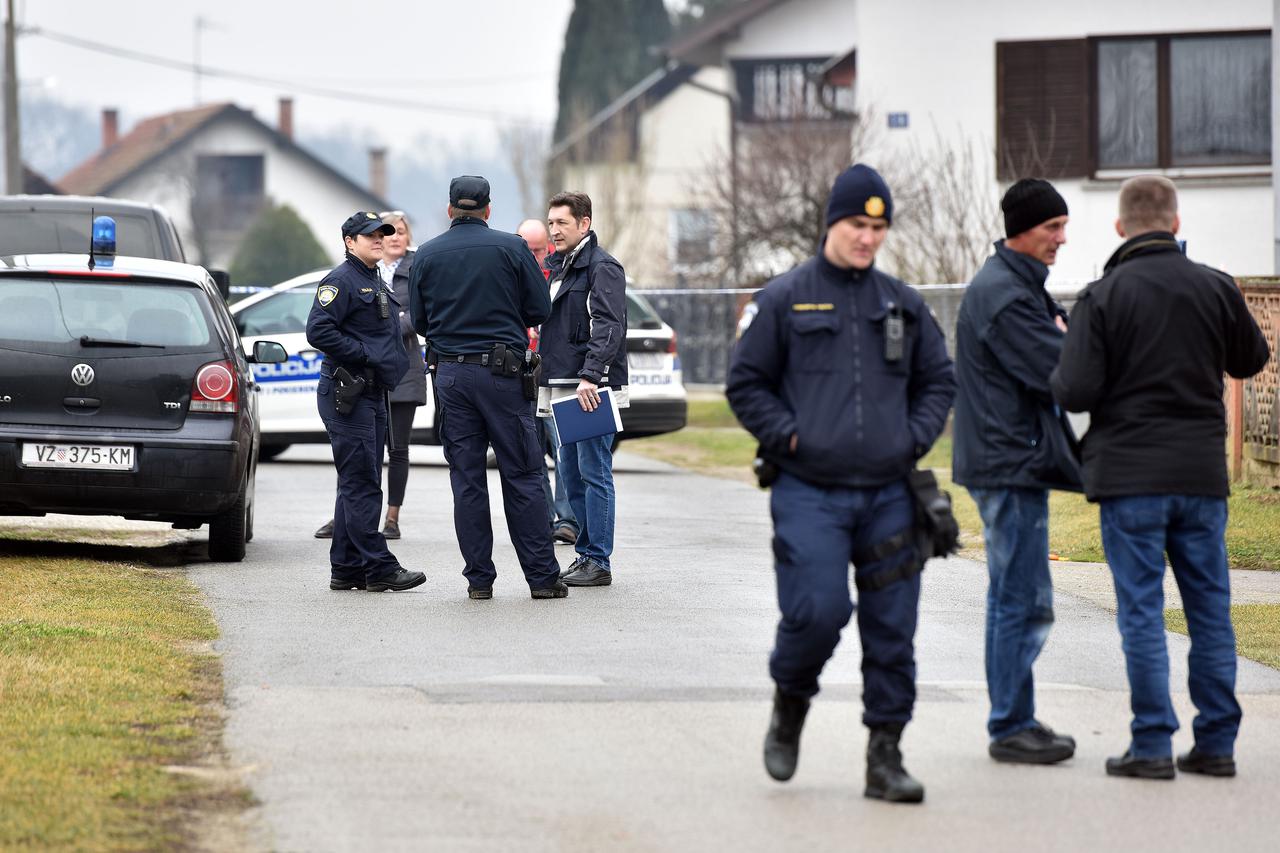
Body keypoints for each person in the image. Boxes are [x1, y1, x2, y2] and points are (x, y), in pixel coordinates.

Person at [726, 164, 955, 803]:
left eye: (879, 228)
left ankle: (886, 756)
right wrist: (790, 437)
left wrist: (912, 437)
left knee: (893, 628)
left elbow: (940, 379)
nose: (869, 238)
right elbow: (745, 384)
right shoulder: (784, 298)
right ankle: (790, 701)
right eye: (858, 224)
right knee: (817, 612)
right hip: (809, 490)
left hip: (889, 493)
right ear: (833, 223)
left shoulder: (901, 303)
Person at [1051, 176, 1270, 779]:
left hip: (1131, 478)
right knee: (1210, 611)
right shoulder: (1215, 287)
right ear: (1175, 223)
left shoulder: (1102, 297)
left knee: (1143, 613)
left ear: (1121, 227)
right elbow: (1251, 359)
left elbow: (1073, 389)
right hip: (1201, 475)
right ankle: (1217, 744)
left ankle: (1150, 744)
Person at [951, 178, 1081, 765]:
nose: (1061, 238)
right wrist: (1067, 343)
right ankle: (1009, 725)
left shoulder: (1016, 285)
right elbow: (1062, 372)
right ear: (1021, 230)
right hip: (1009, 461)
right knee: (1019, 597)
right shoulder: (1006, 295)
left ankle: (1017, 717)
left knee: (1021, 593)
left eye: (1062, 226)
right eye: (1052, 227)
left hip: (1011, 456)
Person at [408, 176, 567, 601]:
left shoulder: (425, 255)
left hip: (452, 378)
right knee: (523, 474)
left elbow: (420, 322)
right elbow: (540, 308)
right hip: (504, 377)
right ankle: (542, 579)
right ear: (488, 210)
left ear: (449, 211)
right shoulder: (513, 248)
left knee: (467, 479)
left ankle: (479, 580)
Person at [305, 211, 425, 593]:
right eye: (369, 234)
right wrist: (363, 354)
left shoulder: (371, 277)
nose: (379, 239)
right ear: (349, 241)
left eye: (382, 233)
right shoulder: (340, 280)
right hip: (349, 393)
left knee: (356, 482)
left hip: (372, 393)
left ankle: (346, 568)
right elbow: (318, 329)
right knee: (362, 485)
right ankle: (379, 566)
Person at [538, 192, 627, 587]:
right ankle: (585, 555)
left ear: (584, 224)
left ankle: (598, 561)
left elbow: (608, 326)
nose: (554, 230)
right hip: (561, 384)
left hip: (589, 387)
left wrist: (592, 375)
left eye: (562, 223)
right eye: (551, 223)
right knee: (571, 474)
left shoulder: (602, 267)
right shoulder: (559, 267)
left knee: (594, 471)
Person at [517, 217, 580, 547]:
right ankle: (542, 517)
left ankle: (567, 519)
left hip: (555, 374)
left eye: (540, 249)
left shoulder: (560, 273)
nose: (535, 256)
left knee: (564, 447)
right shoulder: (510, 274)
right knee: (530, 451)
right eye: (528, 249)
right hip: (521, 375)